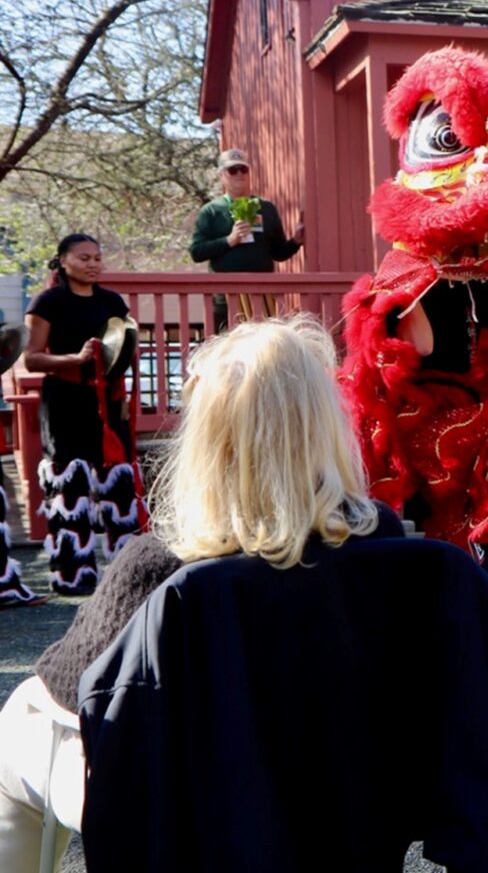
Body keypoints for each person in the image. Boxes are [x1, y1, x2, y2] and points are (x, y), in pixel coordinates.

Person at [0, 316, 407, 872]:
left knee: (25, 711)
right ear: (329, 426)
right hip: (347, 789)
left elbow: (72, 692)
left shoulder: (163, 571)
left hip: (188, 808)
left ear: (205, 440)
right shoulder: (389, 548)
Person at [22, 234, 145, 596]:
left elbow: (123, 343)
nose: (93, 263)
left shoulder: (111, 301)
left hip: (108, 399)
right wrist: (74, 359)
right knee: (70, 487)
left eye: (97, 258)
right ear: (63, 261)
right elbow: (31, 357)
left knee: (119, 484)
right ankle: (73, 576)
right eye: (84, 257)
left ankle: (130, 573)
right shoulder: (49, 301)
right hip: (65, 399)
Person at [189, 148, 305, 332]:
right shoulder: (211, 211)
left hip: (262, 295)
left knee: (264, 353)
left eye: (243, 169)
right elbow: (196, 252)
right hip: (226, 298)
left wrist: (296, 242)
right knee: (227, 353)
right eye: (232, 170)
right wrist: (229, 240)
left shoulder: (266, 208)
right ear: (221, 175)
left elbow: (278, 252)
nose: (239, 174)